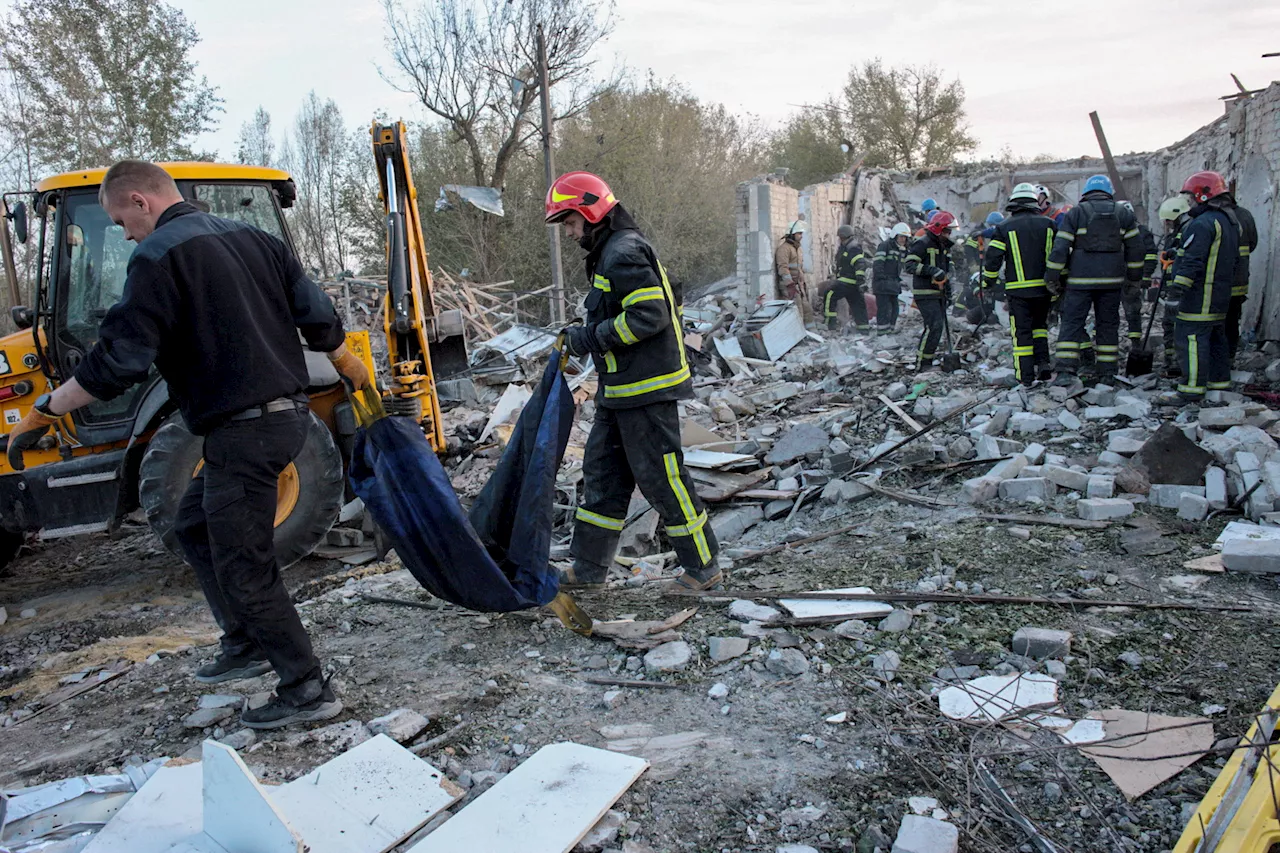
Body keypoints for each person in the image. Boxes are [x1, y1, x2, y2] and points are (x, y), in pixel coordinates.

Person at [6, 161, 370, 729]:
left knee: (243, 559)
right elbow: (318, 316)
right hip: (276, 418)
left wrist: (48, 408)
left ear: (140, 200)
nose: (125, 233)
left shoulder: (156, 257)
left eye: (121, 220)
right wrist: (340, 353)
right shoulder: (257, 240)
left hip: (245, 429)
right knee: (193, 527)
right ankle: (245, 643)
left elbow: (120, 361)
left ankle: (306, 688)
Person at [546, 171, 721, 593]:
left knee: (663, 479)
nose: (569, 233)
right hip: (621, 390)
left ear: (589, 212)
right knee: (603, 476)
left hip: (646, 390)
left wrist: (588, 337)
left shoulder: (622, 252)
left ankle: (704, 569)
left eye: (569, 223)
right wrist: (587, 328)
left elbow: (649, 316)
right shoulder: (612, 250)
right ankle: (588, 571)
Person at [1046, 175, 1144, 384]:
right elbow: (1136, 250)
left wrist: (1052, 276)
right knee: (1108, 325)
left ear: (1086, 193)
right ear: (1109, 192)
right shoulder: (1124, 214)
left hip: (1079, 282)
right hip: (1112, 282)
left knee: (1072, 323)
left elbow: (1061, 247)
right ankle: (1107, 373)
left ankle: (1065, 372)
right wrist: (1134, 279)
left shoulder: (1076, 213)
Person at [1157, 171, 1240, 405]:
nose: (1189, 203)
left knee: (1190, 338)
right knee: (1216, 340)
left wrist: (1175, 293)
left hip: (1200, 296)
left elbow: (1193, 262)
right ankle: (1219, 386)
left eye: (1190, 198)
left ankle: (1190, 391)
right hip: (1220, 294)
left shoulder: (1203, 223)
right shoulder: (1230, 221)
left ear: (1202, 195)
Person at [983, 183, 1057, 386]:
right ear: (1035, 202)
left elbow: (993, 259)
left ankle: (1025, 377)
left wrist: (987, 281)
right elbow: (1059, 256)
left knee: (1021, 333)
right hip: (1044, 289)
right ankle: (1043, 366)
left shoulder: (1004, 227)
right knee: (1040, 327)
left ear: (1014, 203)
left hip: (1018, 291)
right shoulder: (1049, 224)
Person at [905, 210, 957, 371]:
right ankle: (923, 364)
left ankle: (927, 360)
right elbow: (909, 265)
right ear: (938, 228)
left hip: (938, 293)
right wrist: (932, 270)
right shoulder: (923, 243)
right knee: (934, 326)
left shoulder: (943, 247)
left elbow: (945, 273)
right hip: (925, 293)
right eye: (947, 231)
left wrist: (948, 293)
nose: (949, 235)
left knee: (937, 327)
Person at [1218, 189, 1259, 360]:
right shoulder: (1245, 215)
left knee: (1216, 321)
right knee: (1233, 320)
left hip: (1219, 280)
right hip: (1239, 280)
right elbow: (1253, 243)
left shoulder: (1217, 218)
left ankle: (1218, 359)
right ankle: (1229, 357)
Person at [1155, 195, 1193, 375]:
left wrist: (1174, 253)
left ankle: (1177, 363)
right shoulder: (1179, 232)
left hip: (1179, 288)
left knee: (1174, 324)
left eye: (1169, 220)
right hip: (1172, 286)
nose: (1167, 223)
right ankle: (1170, 360)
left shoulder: (1187, 232)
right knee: (1169, 324)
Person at [1117, 200, 1159, 346]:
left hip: (1131, 279)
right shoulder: (1113, 232)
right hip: (1116, 277)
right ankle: (1103, 341)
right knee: (1107, 311)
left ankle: (1135, 343)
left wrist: (1146, 275)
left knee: (1132, 310)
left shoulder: (1141, 232)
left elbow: (1151, 254)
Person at [823, 224, 869, 333]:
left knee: (829, 294)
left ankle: (830, 324)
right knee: (858, 304)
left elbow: (860, 264)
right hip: (851, 283)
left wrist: (860, 280)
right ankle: (864, 329)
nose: (840, 240)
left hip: (847, 281)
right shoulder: (847, 247)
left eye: (841, 237)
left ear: (844, 237)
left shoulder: (853, 248)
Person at [873, 223, 912, 333]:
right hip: (883, 283)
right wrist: (882, 278)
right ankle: (882, 332)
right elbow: (878, 264)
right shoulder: (884, 246)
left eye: (905, 237)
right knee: (884, 309)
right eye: (901, 237)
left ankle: (890, 330)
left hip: (893, 283)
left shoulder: (903, 250)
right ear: (895, 235)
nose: (903, 239)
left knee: (895, 308)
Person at [774, 220, 814, 327]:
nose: (801, 236)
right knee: (797, 311)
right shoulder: (784, 249)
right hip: (789, 286)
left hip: (798, 285)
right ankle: (797, 335)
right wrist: (790, 285)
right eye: (799, 233)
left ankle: (811, 334)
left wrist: (802, 282)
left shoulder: (798, 248)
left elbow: (799, 268)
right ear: (792, 234)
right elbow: (783, 268)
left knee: (807, 310)